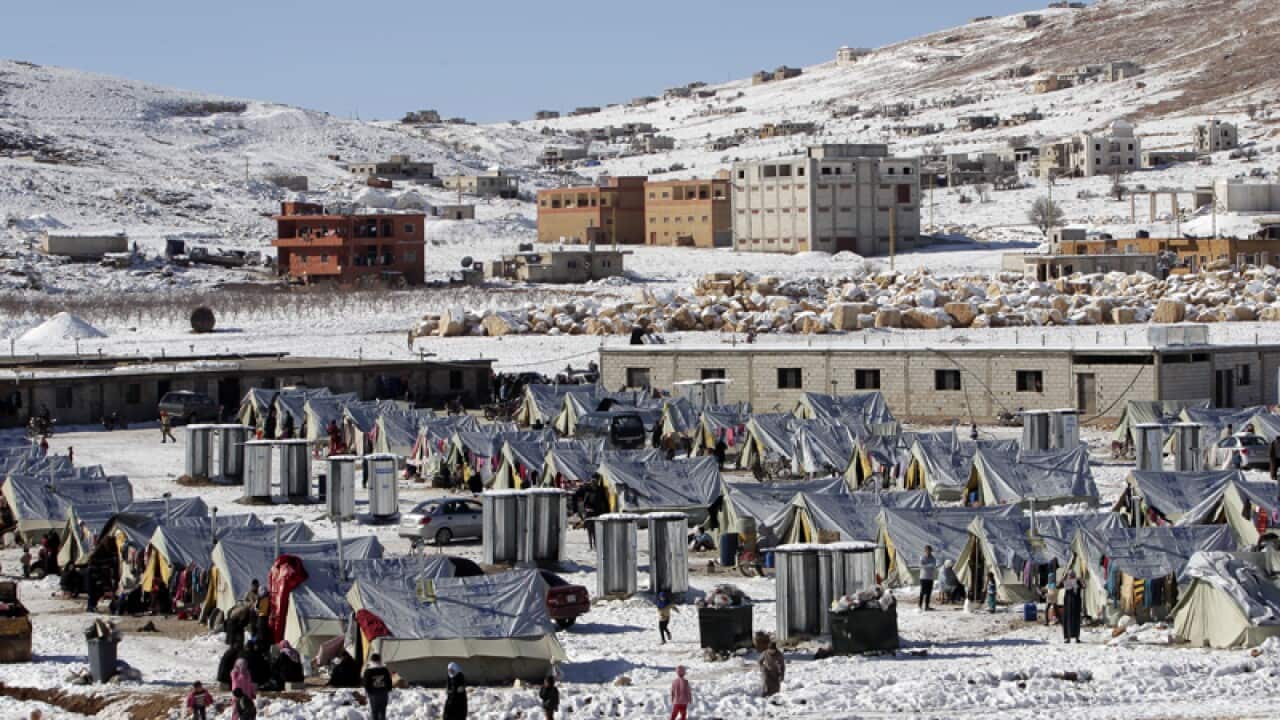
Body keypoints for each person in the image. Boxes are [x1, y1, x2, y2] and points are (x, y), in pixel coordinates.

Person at [362, 652, 394, 720]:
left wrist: (368, 692)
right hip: (384, 694)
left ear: (371, 661)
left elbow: (366, 683)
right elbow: (389, 681)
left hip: (374, 695)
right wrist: (388, 690)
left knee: (375, 712)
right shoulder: (384, 670)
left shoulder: (368, 671)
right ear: (379, 660)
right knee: (382, 711)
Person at [1061, 570, 1083, 643]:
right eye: (1070, 575)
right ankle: (1068, 637)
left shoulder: (1077, 581)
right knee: (1068, 619)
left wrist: (1080, 580)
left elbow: (1084, 586)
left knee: (1076, 620)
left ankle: (1076, 637)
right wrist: (1063, 578)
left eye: (1072, 575)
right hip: (1068, 603)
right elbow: (1058, 585)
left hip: (1076, 603)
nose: (1071, 577)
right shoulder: (1066, 582)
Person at [918, 545, 937, 611]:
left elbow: (934, 566)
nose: (928, 552)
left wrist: (926, 566)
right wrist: (929, 566)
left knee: (929, 592)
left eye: (929, 550)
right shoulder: (922, 557)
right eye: (927, 550)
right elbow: (921, 566)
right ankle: (919, 606)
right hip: (923, 577)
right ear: (925, 551)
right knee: (922, 592)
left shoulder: (933, 558)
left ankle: (926, 606)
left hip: (930, 577)